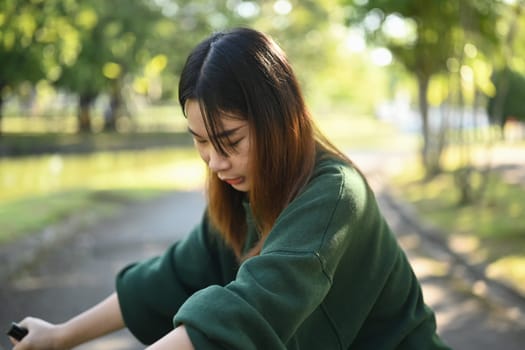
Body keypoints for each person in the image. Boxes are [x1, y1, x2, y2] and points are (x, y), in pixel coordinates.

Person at [10, 27, 451, 350]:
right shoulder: (244, 193)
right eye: (200, 141)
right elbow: (170, 277)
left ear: (278, 120)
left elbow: (251, 308)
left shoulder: (335, 194)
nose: (216, 163)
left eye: (230, 141)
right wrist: (60, 336)